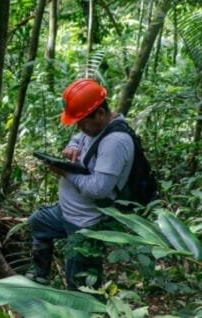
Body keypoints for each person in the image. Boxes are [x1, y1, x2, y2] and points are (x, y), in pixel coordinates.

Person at [28, 78, 135, 289]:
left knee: (79, 288)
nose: (79, 127)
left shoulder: (116, 142)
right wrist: (72, 146)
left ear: (101, 114)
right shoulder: (95, 129)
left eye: (82, 121)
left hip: (87, 222)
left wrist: (65, 173)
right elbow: (79, 137)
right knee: (38, 222)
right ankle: (39, 275)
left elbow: (99, 188)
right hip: (67, 212)